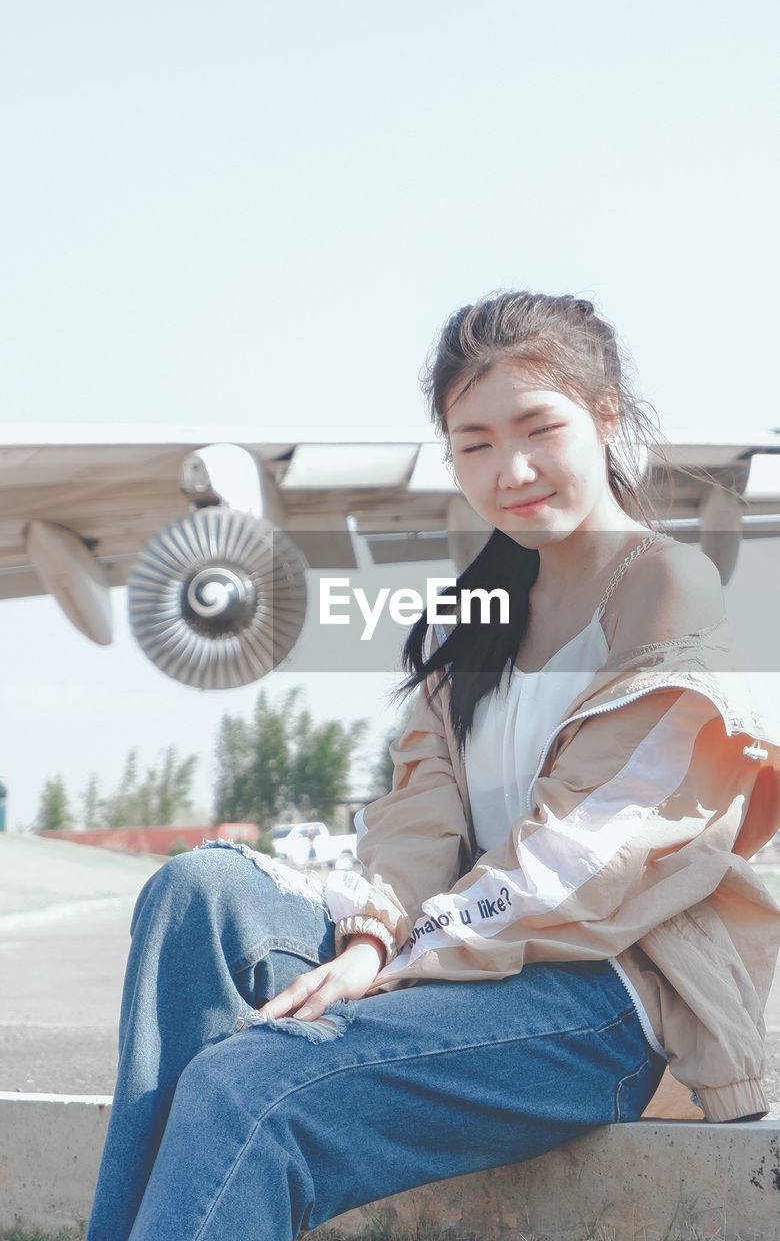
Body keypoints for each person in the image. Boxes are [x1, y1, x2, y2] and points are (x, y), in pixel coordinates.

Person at [86, 291, 780, 1241]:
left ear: (607, 415)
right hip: (465, 965)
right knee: (200, 891)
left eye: (540, 429)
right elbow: (420, 818)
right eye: (476, 443)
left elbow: (592, 859)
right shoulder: (480, 607)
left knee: (251, 1083)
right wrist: (378, 925)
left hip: (599, 1004)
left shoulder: (664, 585)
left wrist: (392, 952)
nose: (513, 470)